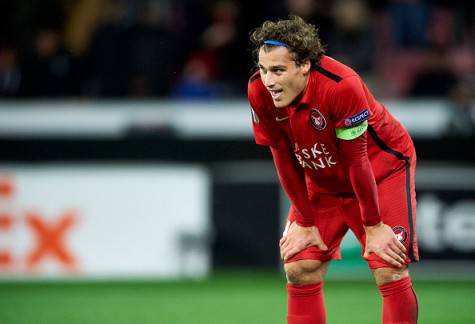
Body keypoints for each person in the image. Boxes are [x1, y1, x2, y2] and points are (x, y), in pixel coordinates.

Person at [247, 16, 419, 324]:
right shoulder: (259, 92)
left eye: (278, 70)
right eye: (262, 69)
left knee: (388, 267)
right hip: (323, 177)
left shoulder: (342, 86)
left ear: (304, 65)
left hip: (381, 171)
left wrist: (373, 224)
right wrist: (304, 219)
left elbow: (358, 159)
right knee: (300, 268)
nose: (268, 80)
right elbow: (282, 155)